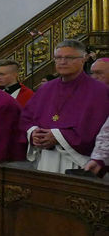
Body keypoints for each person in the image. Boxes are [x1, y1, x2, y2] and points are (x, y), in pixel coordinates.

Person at [19, 39, 109, 173]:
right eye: (58, 58)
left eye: (69, 58)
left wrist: (58, 136)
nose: (62, 62)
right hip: (45, 158)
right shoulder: (46, 88)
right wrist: (33, 133)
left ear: (83, 59)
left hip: (78, 161)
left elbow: (98, 128)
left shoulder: (99, 91)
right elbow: (26, 118)